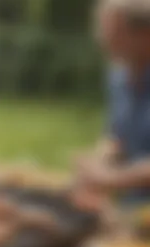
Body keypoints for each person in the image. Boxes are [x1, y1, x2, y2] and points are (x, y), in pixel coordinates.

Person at [77, 0, 150, 207]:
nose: (102, 39)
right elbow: (117, 136)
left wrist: (111, 178)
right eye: (100, 29)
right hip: (132, 208)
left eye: (114, 32)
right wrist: (98, 160)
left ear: (146, 35)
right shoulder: (117, 77)